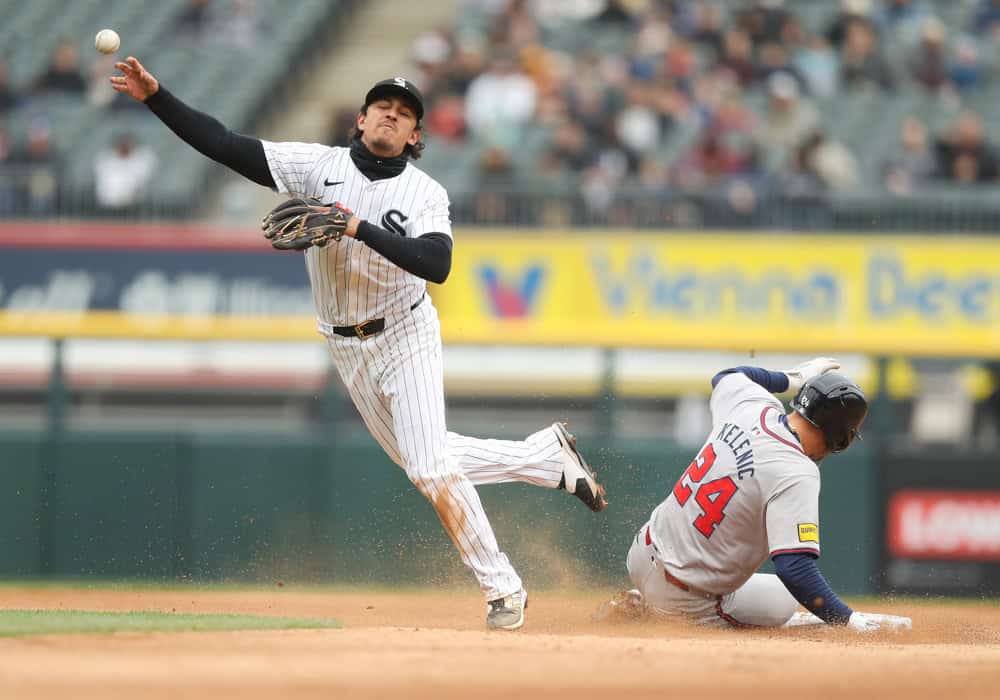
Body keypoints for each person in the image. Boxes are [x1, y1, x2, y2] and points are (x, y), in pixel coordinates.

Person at [109, 56, 607, 631]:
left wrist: (356, 227)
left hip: (406, 333)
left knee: (428, 467)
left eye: (404, 115)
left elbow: (437, 263)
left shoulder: (425, 193)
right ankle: (545, 458)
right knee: (426, 461)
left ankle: (503, 589)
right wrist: (156, 97)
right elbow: (225, 144)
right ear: (361, 118)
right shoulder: (316, 166)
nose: (391, 118)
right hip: (345, 345)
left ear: (416, 135)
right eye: (382, 109)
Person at [605, 358, 911, 632]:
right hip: (685, 599)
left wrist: (794, 377)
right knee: (781, 603)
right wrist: (846, 619)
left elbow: (729, 374)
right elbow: (795, 568)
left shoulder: (752, 406)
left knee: (759, 589)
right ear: (840, 439)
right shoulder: (797, 471)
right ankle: (656, 612)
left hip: (641, 554)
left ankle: (642, 597)